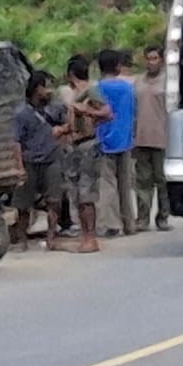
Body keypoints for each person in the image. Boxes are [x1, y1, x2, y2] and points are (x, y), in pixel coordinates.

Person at [11, 70, 69, 251]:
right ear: (38, 89)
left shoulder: (55, 108)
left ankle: (51, 237)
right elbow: (17, 142)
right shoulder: (22, 113)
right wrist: (20, 167)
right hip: (30, 161)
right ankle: (22, 240)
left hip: (52, 159)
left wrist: (62, 130)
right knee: (23, 204)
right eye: (47, 86)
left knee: (54, 201)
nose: (50, 91)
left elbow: (69, 124)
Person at [60, 55, 111, 252]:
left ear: (71, 74)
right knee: (77, 194)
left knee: (86, 193)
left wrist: (87, 112)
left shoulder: (91, 91)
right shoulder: (74, 94)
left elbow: (107, 113)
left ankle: (90, 237)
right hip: (75, 146)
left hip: (88, 145)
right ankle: (85, 236)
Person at [96, 48, 138, 236]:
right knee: (125, 184)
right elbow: (134, 112)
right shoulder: (128, 88)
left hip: (104, 140)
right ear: (118, 66)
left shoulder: (97, 88)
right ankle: (129, 223)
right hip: (125, 139)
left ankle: (112, 224)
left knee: (108, 183)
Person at [133, 44, 172, 231]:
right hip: (141, 138)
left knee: (162, 181)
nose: (151, 62)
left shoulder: (168, 82)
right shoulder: (138, 82)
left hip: (162, 138)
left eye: (155, 58)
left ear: (161, 60)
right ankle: (142, 219)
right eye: (148, 59)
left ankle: (163, 217)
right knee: (142, 182)